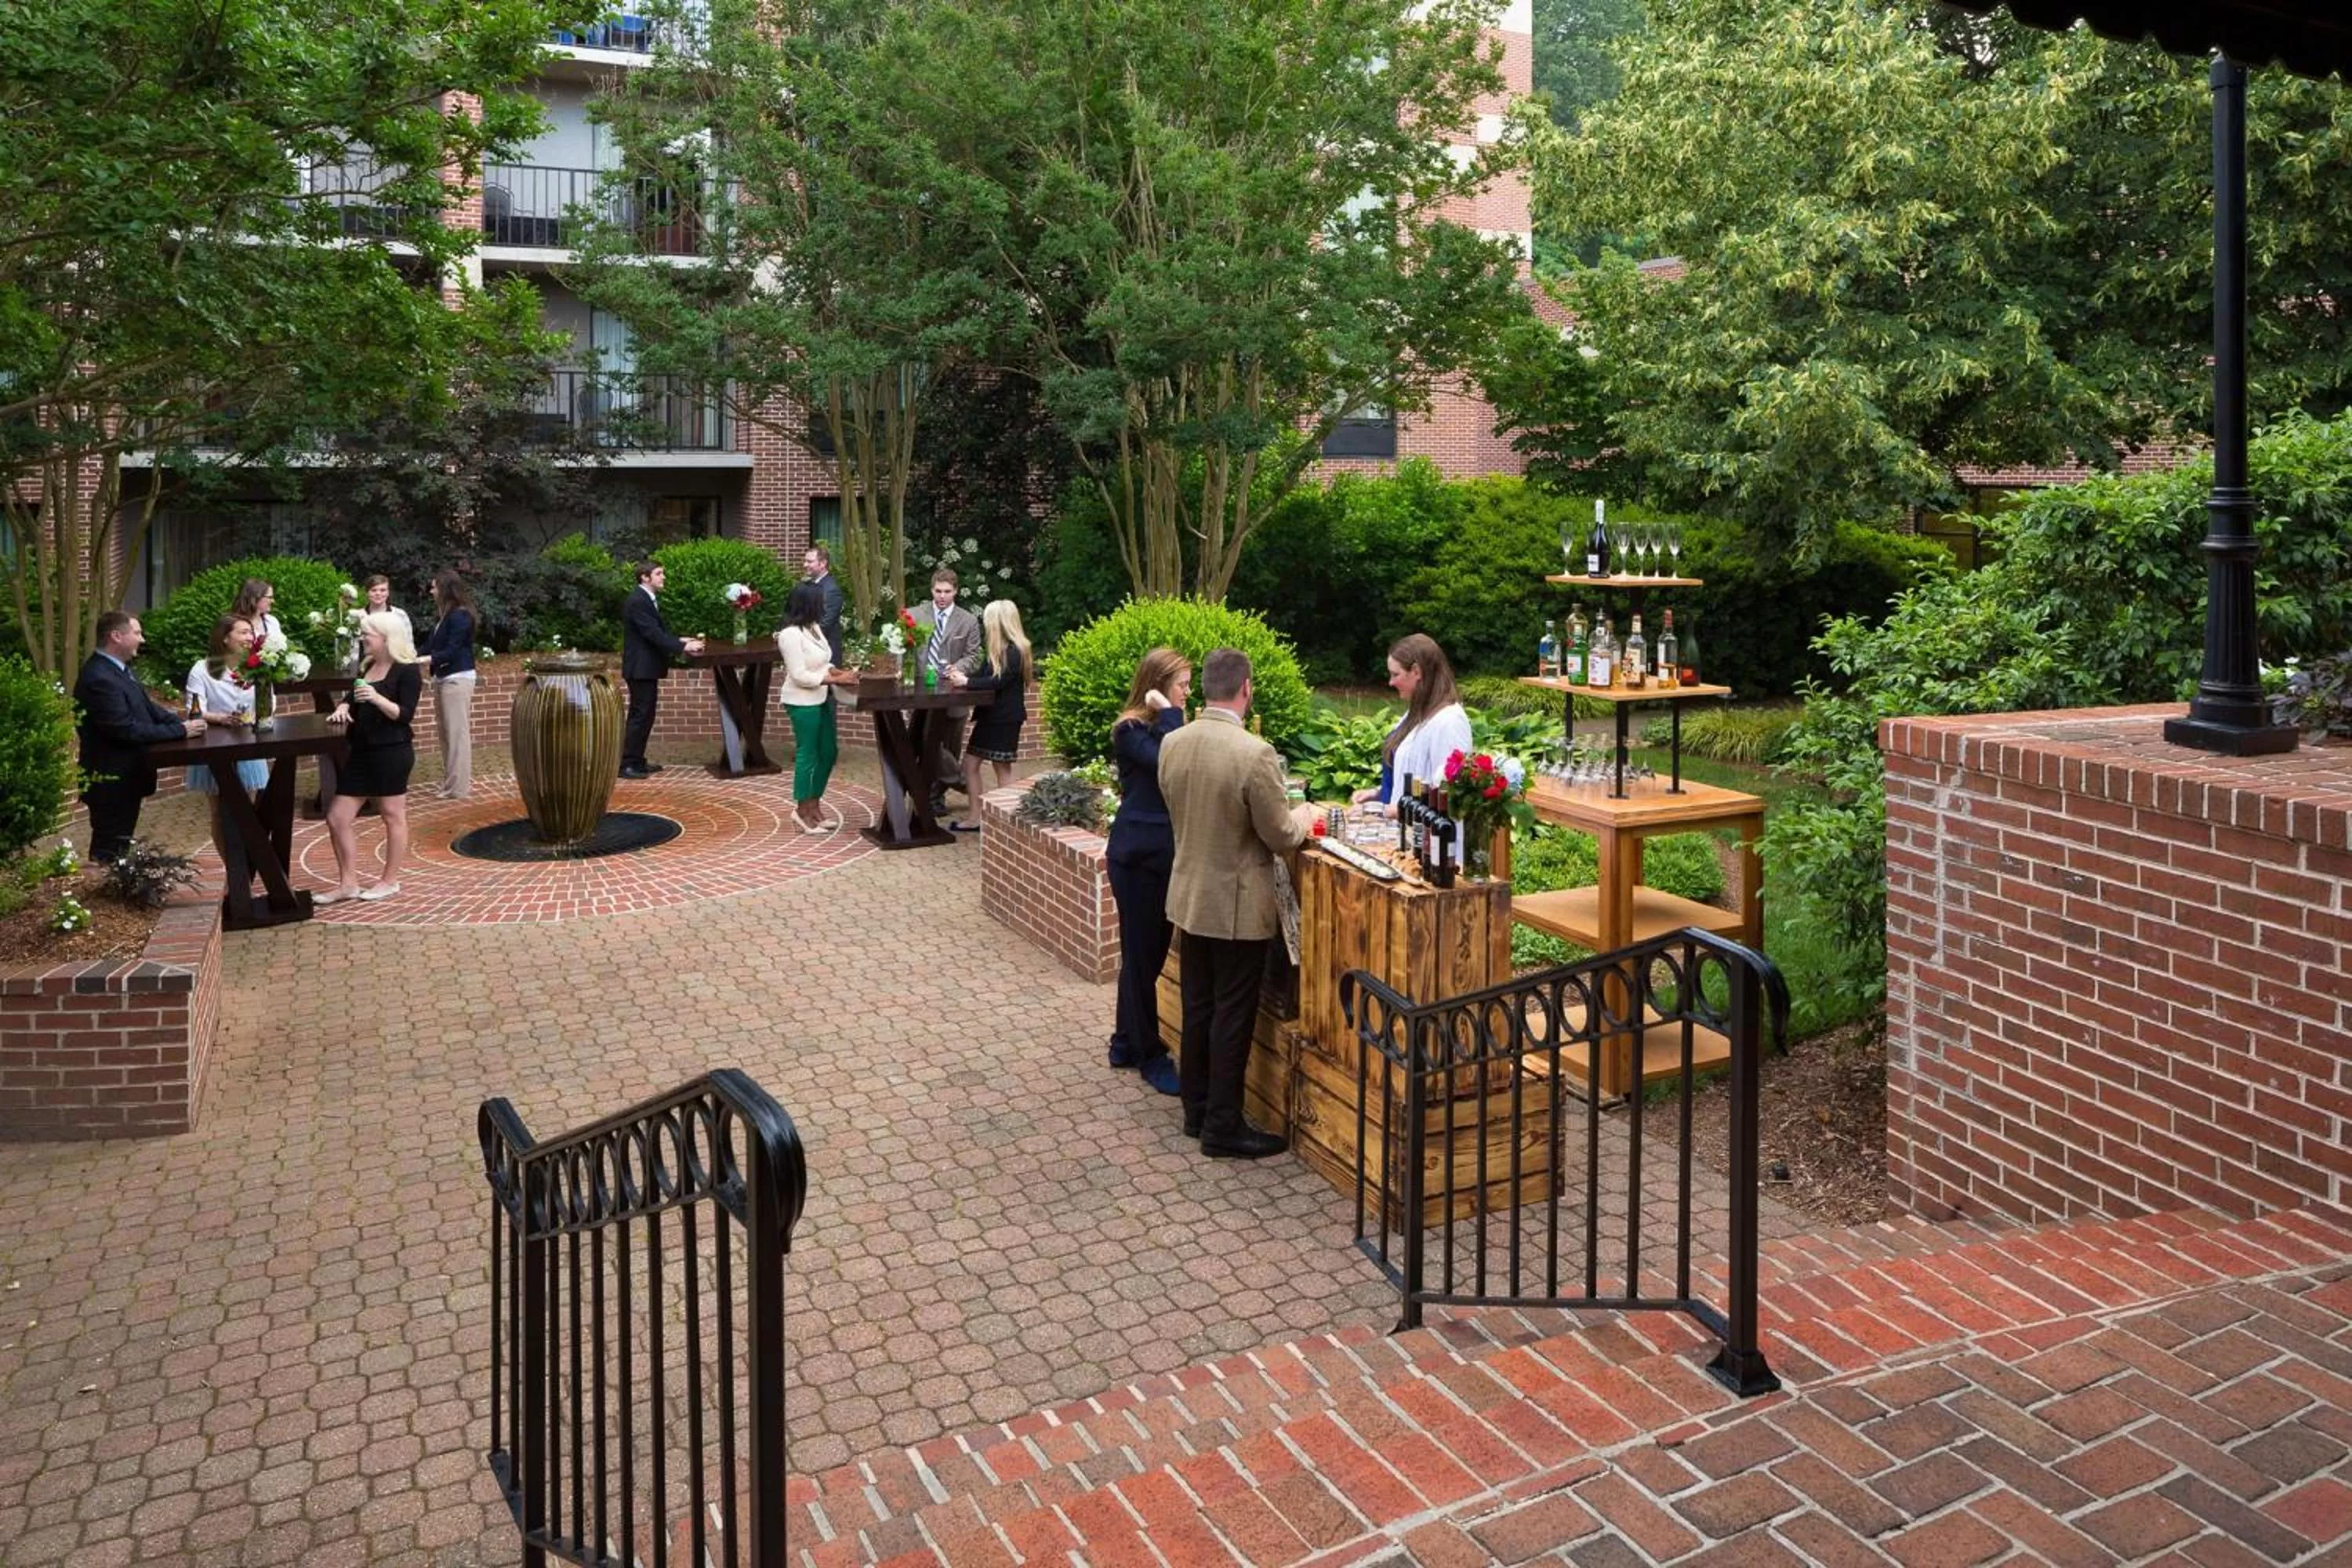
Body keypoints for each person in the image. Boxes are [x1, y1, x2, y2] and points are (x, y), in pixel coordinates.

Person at [1157, 648, 1316, 1159]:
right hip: (1236, 906)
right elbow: (1280, 834)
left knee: (1198, 1005)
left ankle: (1196, 1109)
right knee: (1233, 1014)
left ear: (1205, 687)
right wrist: (1307, 816)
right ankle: (1223, 1126)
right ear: (1246, 688)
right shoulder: (1254, 753)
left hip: (1188, 895)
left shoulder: (1173, 742)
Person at [1103, 648, 1191, 1098]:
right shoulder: (1131, 730)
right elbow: (1169, 764)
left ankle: (1123, 1042)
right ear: (1156, 686)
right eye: (1181, 685)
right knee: (1143, 959)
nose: (1187, 694)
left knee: (1144, 956)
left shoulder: (1163, 728)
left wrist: (1173, 714)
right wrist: (1169, 711)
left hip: (1161, 857)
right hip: (1137, 859)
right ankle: (1150, 1054)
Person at [75, 612, 205, 862]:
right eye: (137, 633)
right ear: (116, 636)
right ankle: (104, 895)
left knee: (120, 844)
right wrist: (180, 731)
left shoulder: (120, 670)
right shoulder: (99, 678)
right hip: (110, 780)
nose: (142, 640)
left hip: (127, 777)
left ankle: (116, 891)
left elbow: (148, 709)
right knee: (108, 850)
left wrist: (180, 722)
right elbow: (124, 730)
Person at [320, 612, 423, 904]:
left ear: (386, 637)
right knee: (337, 816)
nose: (363, 639)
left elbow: (405, 714)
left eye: (368, 635)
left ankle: (390, 881)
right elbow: (351, 697)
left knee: (392, 815)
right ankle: (348, 884)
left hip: (392, 751)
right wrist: (342, 706)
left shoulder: (407, 670)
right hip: (362, 751)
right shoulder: (368, 666)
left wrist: (376, 699)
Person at [183, 615, 271, 870]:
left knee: (248, 811)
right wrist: (222, 718)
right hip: (215, 747)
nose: (249, 637)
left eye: (251, 633)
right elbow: (194, 711)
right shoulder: (203, 669)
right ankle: (233, 871)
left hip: (249, 743)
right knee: (221, 814)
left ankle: (245, 869)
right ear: (224, 637)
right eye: (243, 632)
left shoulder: (260, 666)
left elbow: (270, 700)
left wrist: (258, 715)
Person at [1351, 633, 1474, 814]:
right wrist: (1377, 794)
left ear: (1417, 672)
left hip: (1426, 838)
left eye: (1395, 674)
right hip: (1400, 832)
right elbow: (1409, 774)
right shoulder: (1417, 712)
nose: (1391, 682)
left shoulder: (1450, 722)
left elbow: (1448, 796)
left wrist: (1387, 811)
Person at [944, 600, 1032, 833]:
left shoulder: (1015, 651)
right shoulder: (999, 649)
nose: (985, 624)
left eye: (988, 620)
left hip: (1004, 719)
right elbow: (984, 674)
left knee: (1000, 767)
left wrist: (967, 682)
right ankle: (980, 818)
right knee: (974, 765)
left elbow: (997, 682)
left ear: (999, 623)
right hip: (992, 717)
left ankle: (1005, 822)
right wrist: (961, 674)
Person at [776, 581, 856, 832]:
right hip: (801, 702)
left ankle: (815, 805)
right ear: (807, 603)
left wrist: (840, 672)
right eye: (819, 601)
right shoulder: (790, 635)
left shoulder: (813, 628)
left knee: (829, 752)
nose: (824, 605)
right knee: (807, 755)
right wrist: (835, 680)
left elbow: (824, 662)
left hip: (820, 697)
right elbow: (799, 675)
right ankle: (802, 811)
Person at [619, 560, 704, 780]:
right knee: (640, 715)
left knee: (645, 715)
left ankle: (637, 760)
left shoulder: (646, 599)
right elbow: (651, 634)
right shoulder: (638, 600)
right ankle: (627, 764)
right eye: (658, 574)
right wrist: (683, 646)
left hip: (644, 668)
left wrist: (677, 639)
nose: (663, 577)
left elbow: (654, 630)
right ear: (645, 578)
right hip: (640, 668)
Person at [912, 568, 983, 815]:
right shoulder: (913, 615)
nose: (942, 596)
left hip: (953, 693)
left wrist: (959, 667)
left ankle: (934, 799)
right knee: (923, 741)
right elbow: (900, 648)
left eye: (947, 592)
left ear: (956, 592)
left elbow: (975, 655)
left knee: (950, 747)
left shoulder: (968, 620)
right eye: (938, 591)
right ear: (931, 590)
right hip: (920, 691)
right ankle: (962, 781)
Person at [423, 569, 477, 800]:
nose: (431, 591)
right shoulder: (444, 616)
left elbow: (453, 650)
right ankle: (451, 782)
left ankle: (458, 788)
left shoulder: (460, 616)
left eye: (434, 586)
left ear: (445, 588)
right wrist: (405, 655)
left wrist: (428, 659)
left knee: (457, 734)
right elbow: (430, 647)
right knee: (446, 733)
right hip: (443, 678)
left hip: (457, 678)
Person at [802, 543, 845, 666]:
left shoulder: (832, 590)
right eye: (805, 561)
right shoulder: (808, 584)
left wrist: (801, 638)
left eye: (810, 562)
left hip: (826, 654)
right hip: (811, 652)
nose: (805, 565)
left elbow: (825, 625)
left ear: (823, 564)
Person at [230, 579, 282, 648]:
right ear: (255, 598)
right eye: (269, 597)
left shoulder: (272, 621)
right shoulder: (234, 624)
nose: (273, 601)